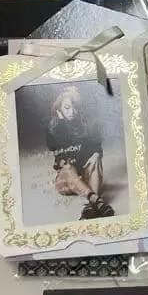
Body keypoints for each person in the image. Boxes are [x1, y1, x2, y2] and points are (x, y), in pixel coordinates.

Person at [46, 86, 114, 220]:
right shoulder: (53, 129)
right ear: (59, 109)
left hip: (86, 178)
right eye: (67, 108)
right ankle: (96, 200)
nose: (72, 112)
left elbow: (96, 145)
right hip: (66, 182)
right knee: (67, 167)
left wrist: (96, 154)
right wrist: (61, 122)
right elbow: (57, 148)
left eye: (74, 108)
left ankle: (91, 206)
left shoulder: (84, 125)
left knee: (96, 158)